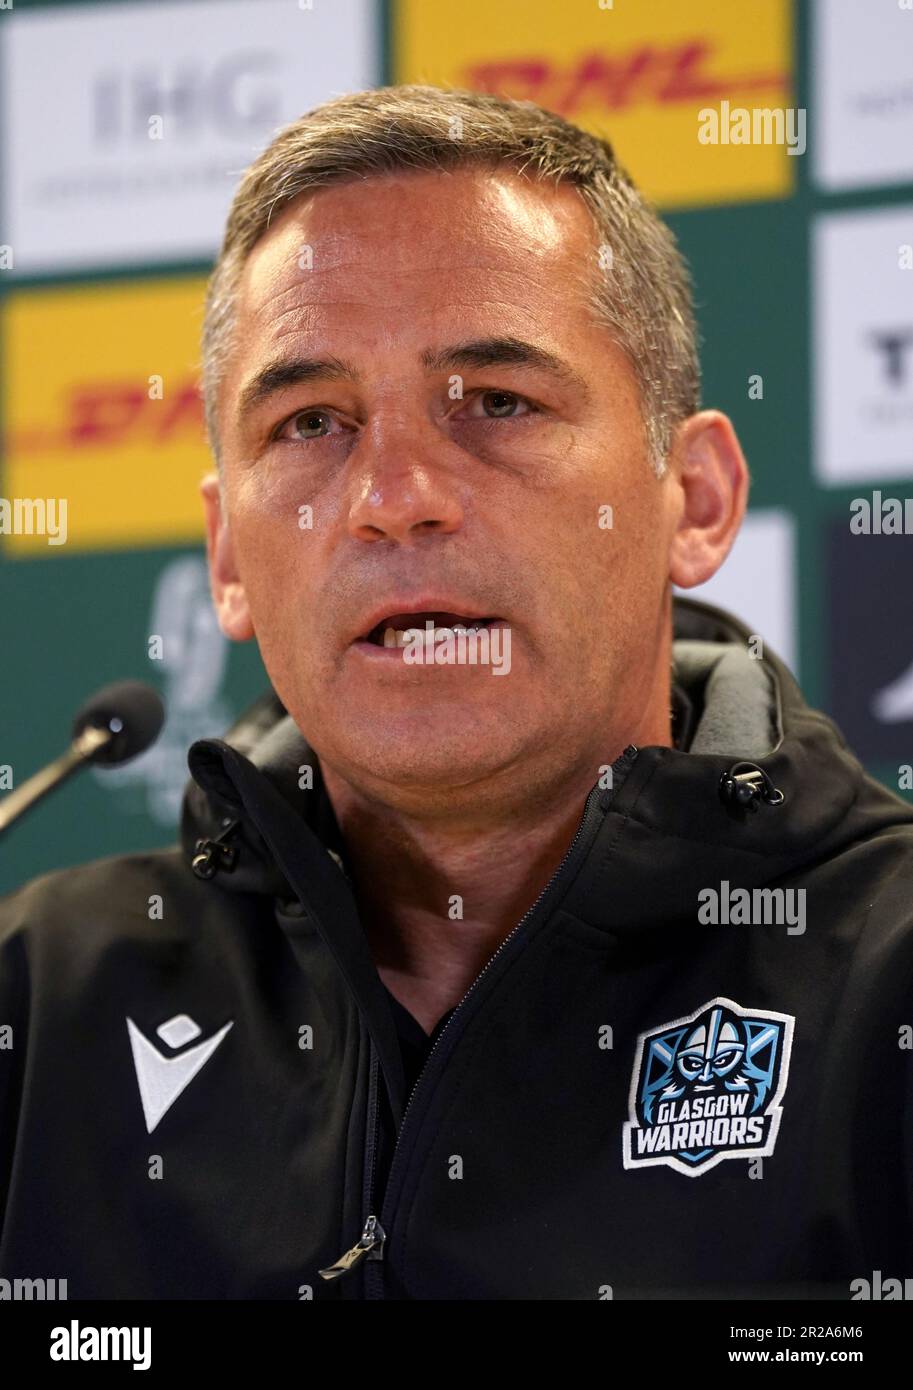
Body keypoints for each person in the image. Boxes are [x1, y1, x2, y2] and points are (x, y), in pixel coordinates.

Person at [1, 84, 912, 1301]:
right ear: (227, 559)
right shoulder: (38, 1002)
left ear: (691, 500)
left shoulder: (886, 977)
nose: (396, 492)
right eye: (311, 421)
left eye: (496, 401)